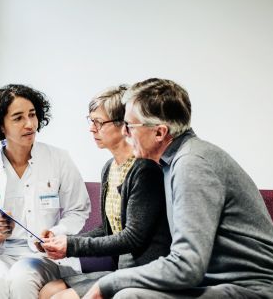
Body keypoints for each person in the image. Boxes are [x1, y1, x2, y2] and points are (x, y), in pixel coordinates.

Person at [82, 78, 273, 299]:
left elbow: (187, 266)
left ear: (159, 132)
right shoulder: (173, 162)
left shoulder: (192, 163)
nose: (126, 133)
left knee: (128, 297)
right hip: (218, 284)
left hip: (260, 290)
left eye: (130, 126)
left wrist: (108, 283)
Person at [38, 85, 172, 299]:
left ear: (124, 125)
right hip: (122, 270)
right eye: (90, 121)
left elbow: (131, 237)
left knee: (60, 298)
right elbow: (109, 228)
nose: (92, 128)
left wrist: (72, 245)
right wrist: (62, 239)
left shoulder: (144, 169)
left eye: (99, 122)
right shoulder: (110, 168)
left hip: (143, 272)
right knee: (48, 290)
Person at [0, 84, 91, 299]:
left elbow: (78, 210)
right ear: (1, 125)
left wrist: (56, 233)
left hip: (43, 255)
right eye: (18, 118)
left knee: (22, 278)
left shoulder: (58, 159)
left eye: (32, 115)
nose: (29, 124)